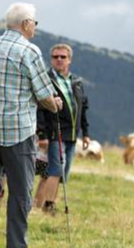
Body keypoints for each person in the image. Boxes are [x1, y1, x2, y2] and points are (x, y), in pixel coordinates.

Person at [0, 3, 60, 248]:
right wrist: (55, 104)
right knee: (21, 191)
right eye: (35, 23)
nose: (35, 27)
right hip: (16, 130)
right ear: (26, 24)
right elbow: (44, 94)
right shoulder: (29, 50)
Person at [34, 43, 91, 214]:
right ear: (50, 60)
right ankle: (48, 206)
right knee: (56, 169)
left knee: (62, 173)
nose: (59, 60)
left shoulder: (77, 82)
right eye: (55, 57)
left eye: (62, 57)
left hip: (73, 135)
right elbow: (40, 109)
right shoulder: (46, 80)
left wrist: (86, 133)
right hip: (54, 133)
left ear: (69, 60)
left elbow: (83, 108)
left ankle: (40, 204)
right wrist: (42, 134)